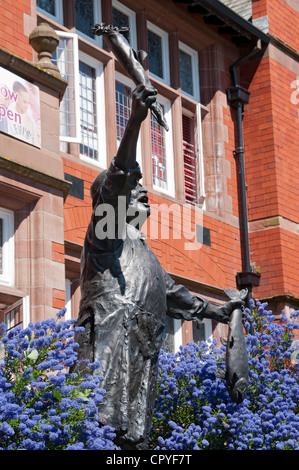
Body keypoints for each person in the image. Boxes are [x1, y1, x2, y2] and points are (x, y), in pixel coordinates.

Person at [74, 84, 243, 450]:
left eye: (140, 185)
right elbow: (117, 182)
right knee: (103, 436)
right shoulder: (105, 235)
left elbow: (179, 299)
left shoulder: (145, 253)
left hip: (142, 358)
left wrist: (220, 310)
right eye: (134, 187)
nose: (142, 190)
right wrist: (134, 120)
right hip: (110, 352)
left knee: (136, 442)